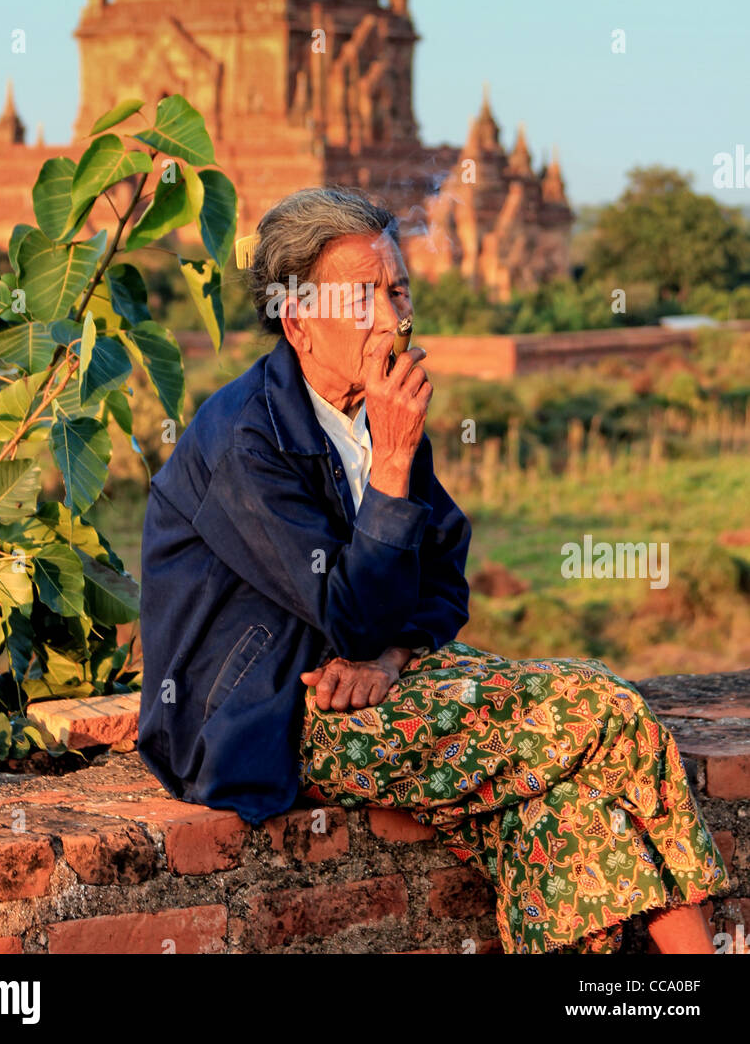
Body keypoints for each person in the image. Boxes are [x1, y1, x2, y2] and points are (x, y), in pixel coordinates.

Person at [138, 186, 729, 954]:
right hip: (264, 714)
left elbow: (444, 575)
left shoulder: (368, 409)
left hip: (366, 683)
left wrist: (388, 656)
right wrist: (389, 462)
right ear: (298, 323)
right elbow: (345, 612)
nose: (392, 319)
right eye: (361, 300)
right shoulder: (248, 441)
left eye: (397, 290)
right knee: (600, 709)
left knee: (562, 812)